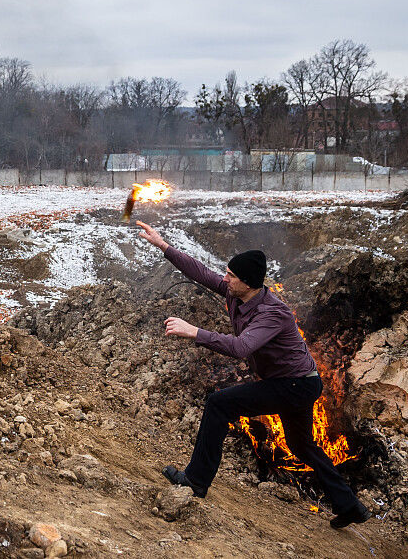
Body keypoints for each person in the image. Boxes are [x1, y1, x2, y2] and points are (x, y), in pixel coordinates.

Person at [135, 220, 371, 529]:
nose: (225, 279)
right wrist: (164, 246)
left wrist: (195, 332)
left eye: (232, 276)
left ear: (248, 282)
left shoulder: (272, 312)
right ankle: (351, 507)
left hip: (297, 385)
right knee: (302, 447)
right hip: (292, 383)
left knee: (219, 403)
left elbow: (241, 347)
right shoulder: (237, 294)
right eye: (228, 273)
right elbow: (202, 273)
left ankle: (194, 482)